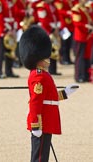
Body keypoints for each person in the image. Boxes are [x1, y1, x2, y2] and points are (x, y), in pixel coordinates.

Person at [19, 25, 78, 162]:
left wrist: (65, 93)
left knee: (43, 157)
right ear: (37, 56)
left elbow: (48, 97)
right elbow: (36, 101)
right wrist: (36, 125)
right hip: (42, 121)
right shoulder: (38, 76)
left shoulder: (43, 74)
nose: (48, 58)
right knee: (39, 158)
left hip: (47, 120)